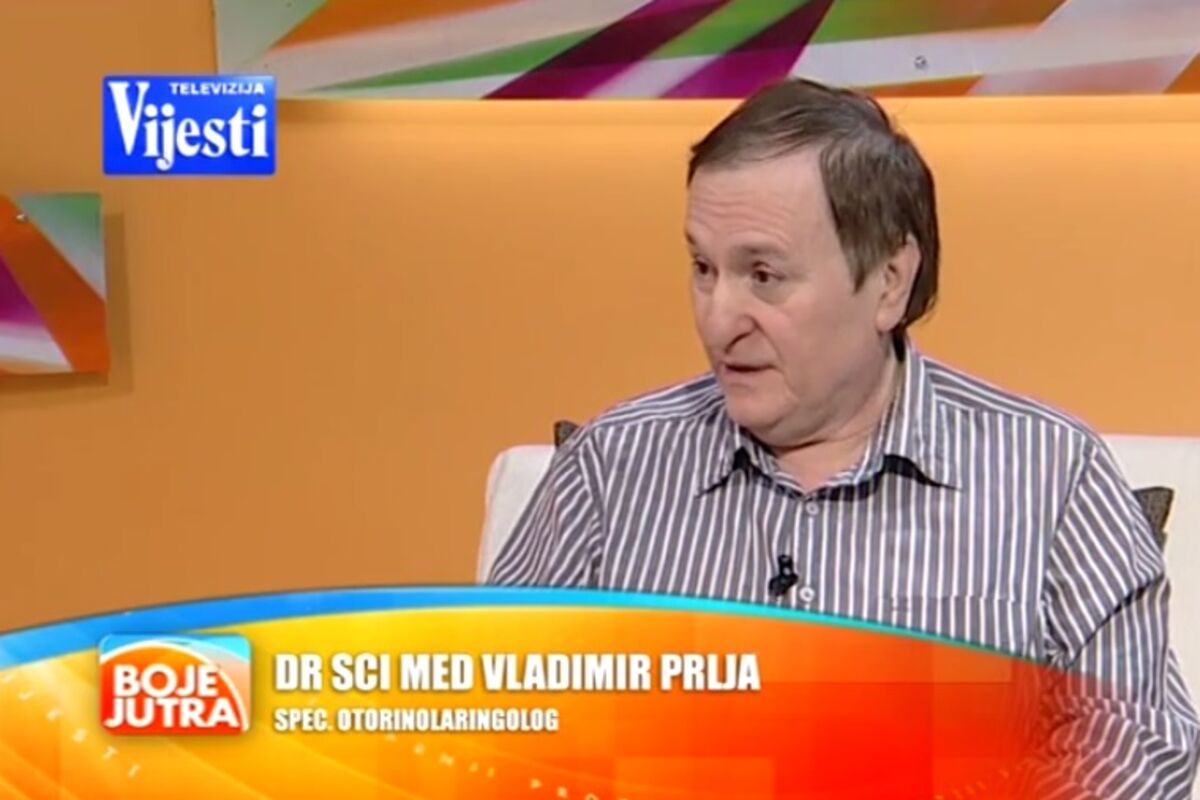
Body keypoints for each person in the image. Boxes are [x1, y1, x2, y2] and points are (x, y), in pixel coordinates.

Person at [487, 77, 1198, 796]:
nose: (718, 318)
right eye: (703, 268)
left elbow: (1131, 747)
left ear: (888, 282)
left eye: (763, 275)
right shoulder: (612, 468)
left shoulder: (1053, 475)